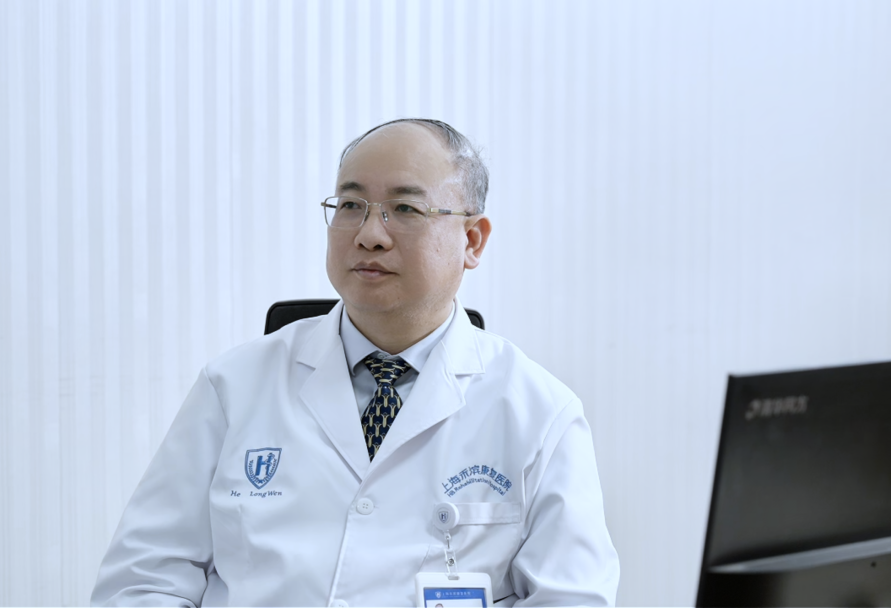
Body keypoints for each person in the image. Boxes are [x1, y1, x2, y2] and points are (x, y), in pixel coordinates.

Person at [91, 119, 620, 606]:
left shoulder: (540, 414)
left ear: (472, 240)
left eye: (404, 209)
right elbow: (141, 582)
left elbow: (572, 598)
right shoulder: (233, 387)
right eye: (350, 205)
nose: (369, 233)